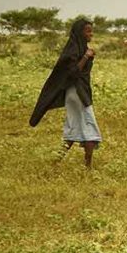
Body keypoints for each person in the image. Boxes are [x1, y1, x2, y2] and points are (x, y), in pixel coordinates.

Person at [29, 19, 102, 168]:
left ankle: (56, 161)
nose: (91, 34)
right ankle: (88, 167)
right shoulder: (73, 51)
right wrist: (86, 57)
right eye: (88, 31)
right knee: (90, 129)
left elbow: (82, 72)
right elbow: (73, 73)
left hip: (75, 93)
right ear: (79, 33)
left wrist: (88, 57)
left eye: (91, 31)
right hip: (78, 94)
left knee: (74, 127)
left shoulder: (79, 48)